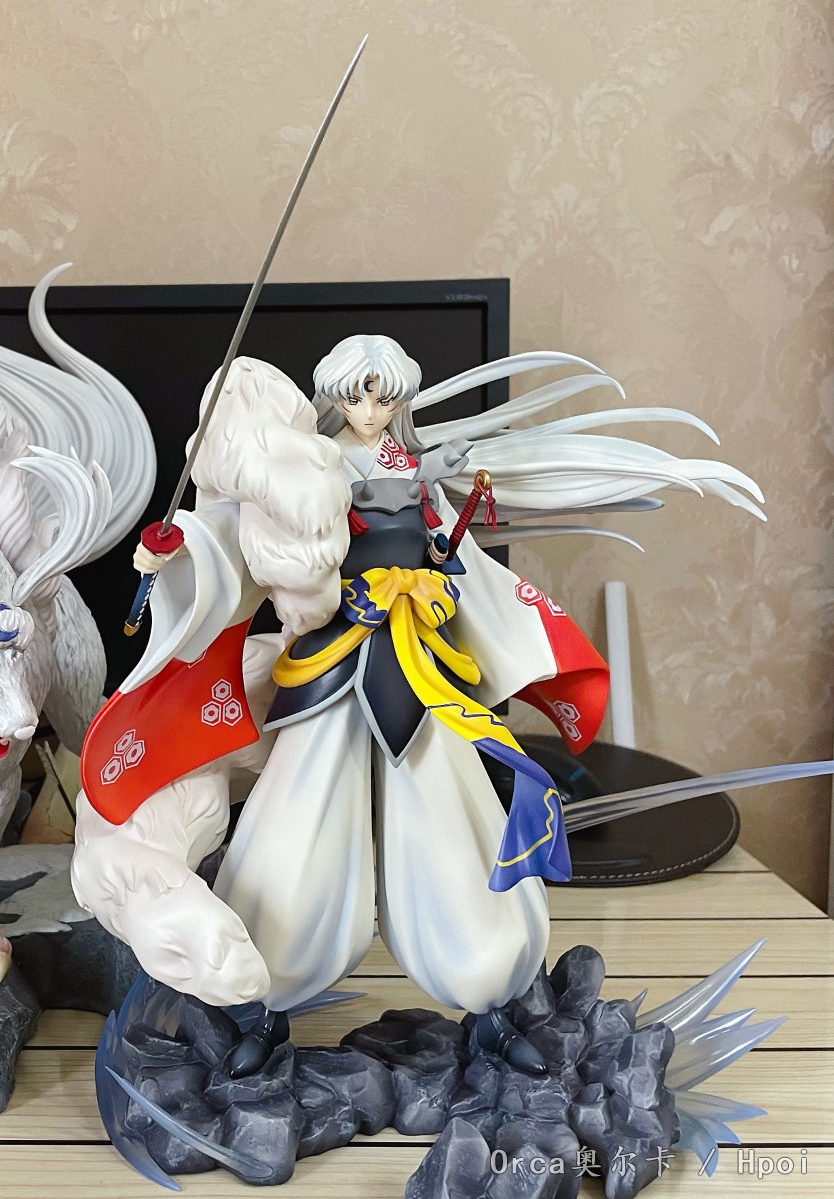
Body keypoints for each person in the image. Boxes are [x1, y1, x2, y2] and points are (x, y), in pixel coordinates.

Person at [73, 334, 760, 1078]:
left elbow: (447, 549)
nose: (370, 410)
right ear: (333, 397)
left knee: (448, 812)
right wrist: (174, 551)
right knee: (300, 817)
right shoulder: (310, 461)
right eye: (356, 395)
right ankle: (265, 987)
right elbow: (241, 538)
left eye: (384, 396)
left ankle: (491, 986)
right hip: (333, 663)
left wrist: (439, 564)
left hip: (418, 664)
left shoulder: (413, 465)